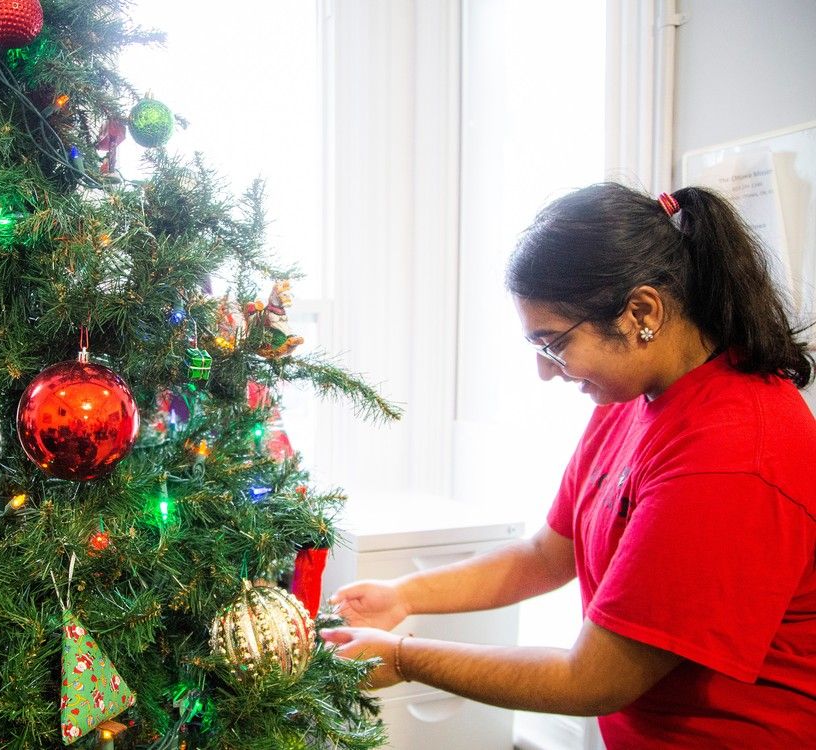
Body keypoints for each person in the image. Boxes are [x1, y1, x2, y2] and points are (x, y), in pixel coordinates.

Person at [320, 183, 816, 748]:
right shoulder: (629, 397)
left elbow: (593, 679)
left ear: (641, 312)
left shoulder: (733, 456)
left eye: (553, 343)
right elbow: (547, 554)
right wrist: (405, 595)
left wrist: (406, 659)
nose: (545, 371)